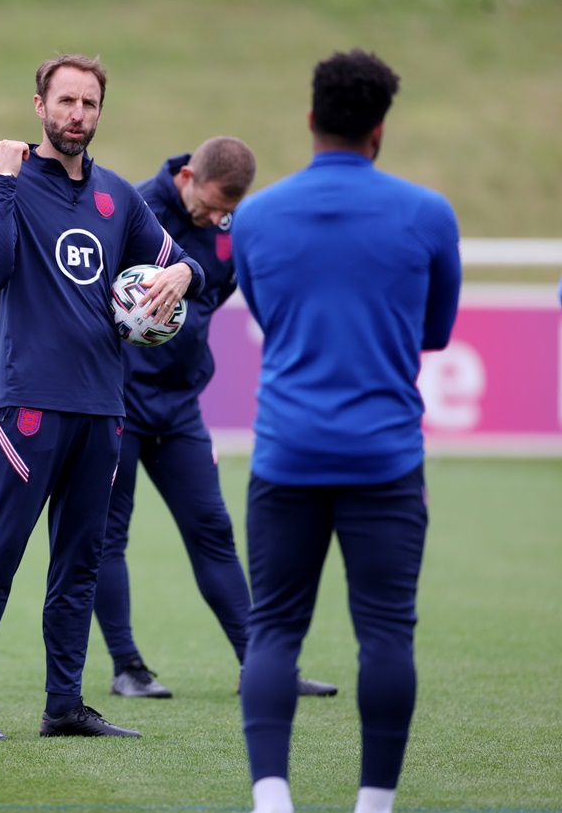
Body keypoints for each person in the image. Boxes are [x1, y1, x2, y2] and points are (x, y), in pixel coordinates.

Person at [231, 49, 461, 813]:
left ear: (310, 118)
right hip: (385, 457)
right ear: (380, 129)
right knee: (387, 635)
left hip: (288, 452)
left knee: (273, 631)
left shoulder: (258, 215)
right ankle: (373, 804)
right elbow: (435, 331)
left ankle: (272, 800)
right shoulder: (429, 213)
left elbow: (268, 315)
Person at [0, 53, 205, 740]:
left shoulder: (119, 197)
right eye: (65, 101)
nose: (77, 115)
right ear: (39, 105)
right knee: (0, 552)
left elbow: (188, 263)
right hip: (27, 403)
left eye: (89, 104)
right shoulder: (0, 182)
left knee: (80, 562)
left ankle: (64, 703)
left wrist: (180, 271)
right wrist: (4, 182)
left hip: (103, 408)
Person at [92, 137, 338, 700]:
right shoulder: (132, 209)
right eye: (212, 204)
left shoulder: (231, 229)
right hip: (118, 400)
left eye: (229, 209)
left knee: (213, 529)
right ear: (188, 177)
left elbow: (215, 293)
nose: (218, 217)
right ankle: (127, 667)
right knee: (109, 536)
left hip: (178, 407)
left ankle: (260, 663)